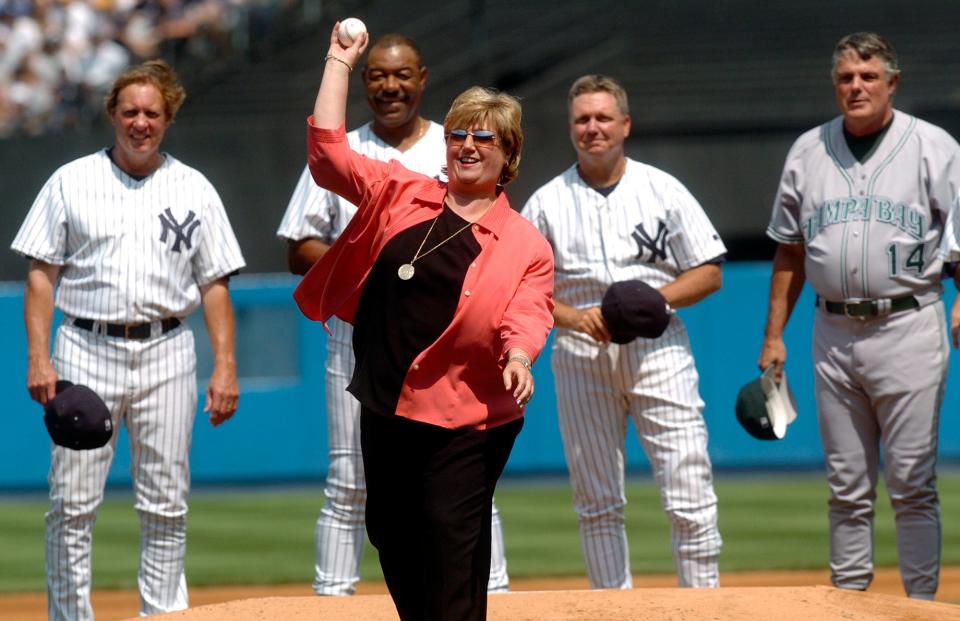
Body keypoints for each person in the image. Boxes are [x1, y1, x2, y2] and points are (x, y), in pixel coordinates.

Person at [292, 24, 554, 621]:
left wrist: (519, 356)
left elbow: (528, 309)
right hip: (386, 399)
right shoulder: (400, 191)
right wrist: (338, 61)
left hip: (468, 413)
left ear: (508, 155)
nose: (466, 145)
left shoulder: (523, 242)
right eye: (458, 132)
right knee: (389, 530)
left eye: (483, 138)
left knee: (450, 535)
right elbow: (328, 156)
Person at [11, 59, 245, 620]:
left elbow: (214, 284)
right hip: (85, 349)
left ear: (168, 118)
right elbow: (41, 276)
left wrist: (226, 366)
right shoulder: (70, 180)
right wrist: (38, 358)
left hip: (167, 348)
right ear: (113, 115)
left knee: (166, 503)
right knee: (72, 502)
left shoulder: (194, 187)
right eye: (130, 111)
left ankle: (163, 615)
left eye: (152, 113)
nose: (140, 122)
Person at [758, 32, 960, 600]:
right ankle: (849, 605)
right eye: (846, 77)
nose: (856, 87)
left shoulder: (935, 147)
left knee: (912, 483)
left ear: (892, 82)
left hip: (908, 324)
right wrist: (773, 335)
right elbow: (790, 251)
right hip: (832, 332)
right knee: (846, 486)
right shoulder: (808, 150)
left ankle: (921, 607)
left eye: (868, 77)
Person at [521, 74, 725, 589]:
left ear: (625, 124)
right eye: (582, 119)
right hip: (580, 353)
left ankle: (704, 608)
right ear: (571, 128)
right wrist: (570, 316)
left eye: (603, 117)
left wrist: (656, 299)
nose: (593, 128)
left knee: (690, 495)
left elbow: (709, 271)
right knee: (597, 502)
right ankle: (612, 609)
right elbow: (519, 286)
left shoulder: (662, 189)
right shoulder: (546, 202)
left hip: (659, 348)